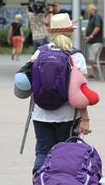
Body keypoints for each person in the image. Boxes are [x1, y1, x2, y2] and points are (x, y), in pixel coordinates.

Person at [29, 13, 91, 174]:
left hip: (40, 115)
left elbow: (28, 84)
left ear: (51, 32)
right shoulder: (76, 56)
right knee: (66, 158)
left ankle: (39, 179)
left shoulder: (38, 54)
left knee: (42, 153)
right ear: (71, 32)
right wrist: (85, 119)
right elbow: (80, 93)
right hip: (68, 116)